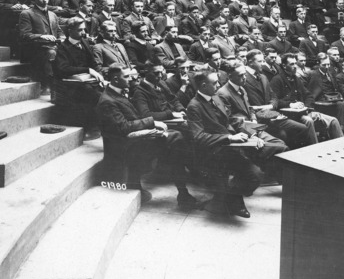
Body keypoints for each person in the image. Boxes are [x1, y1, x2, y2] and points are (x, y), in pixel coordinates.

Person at [97, 65, 202, 209]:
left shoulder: (117, 92)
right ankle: (186, 188)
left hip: (134, 139)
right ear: (115, 79)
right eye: (126, 76)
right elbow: (123, 127)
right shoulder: (107, 100)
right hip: (125, 146)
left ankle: (184, 192)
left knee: (177, 142)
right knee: (177, 140)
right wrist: (152, 122)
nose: (132, 78)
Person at [186, 70, 287, 218]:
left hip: (233, 145)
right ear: (203, 85)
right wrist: (229, 138)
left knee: (276, 150)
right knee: (254, 174)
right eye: (215, 83)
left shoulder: (215, 97)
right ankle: (232, 199)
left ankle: (231, 197)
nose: (219, 84)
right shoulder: (194, 106)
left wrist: (251, 135)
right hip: (214, 152)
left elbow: (231, 121)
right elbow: (198, 137)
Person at [18, 0, 63, 96]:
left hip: (54, 47)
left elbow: (59, 31)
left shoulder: (53, 14)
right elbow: (24, 35)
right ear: (34, 0)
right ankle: (49, 86)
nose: (45, 0)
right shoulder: (27, 13)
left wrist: (62, 37)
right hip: (36, 50)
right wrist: (42, 36)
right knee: (51, 53)